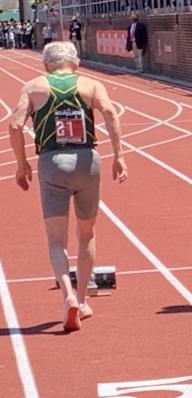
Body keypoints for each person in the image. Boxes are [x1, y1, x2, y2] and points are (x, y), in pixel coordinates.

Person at [8, 42, 127, 331]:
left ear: (46, 64)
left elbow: (14, 125)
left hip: (52, 163)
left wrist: (21, 163)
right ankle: (83, 299)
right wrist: (119, 156)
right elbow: (110, 114)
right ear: (75, 62)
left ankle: (67, 295)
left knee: (56, 240)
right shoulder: (91, 85)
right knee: (87, 234)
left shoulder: (33, 86)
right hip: (88, 161)